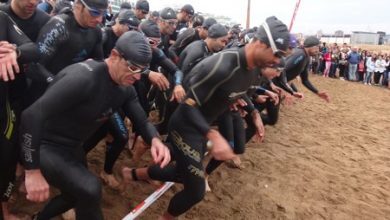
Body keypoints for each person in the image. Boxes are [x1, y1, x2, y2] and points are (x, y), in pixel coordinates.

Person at [122, 16, 290, 220]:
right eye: (277, 53)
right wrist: (213, 135)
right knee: (196, 191)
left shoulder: (253, 71)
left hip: (201, 127)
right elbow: (187, 105)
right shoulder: (221, 65)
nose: (278, 61)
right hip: (185, 125)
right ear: (261, 44)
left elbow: (237, 91)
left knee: (182, 173)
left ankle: (133, 174)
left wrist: (253, 113)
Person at [20, 31, 171, 220]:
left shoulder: (125, 88)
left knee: (74, 196)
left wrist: (155, 140)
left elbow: (141, 120)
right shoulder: (82, 77)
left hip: (72, 146)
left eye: (142, 70)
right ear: (115, 55)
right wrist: (32, 171)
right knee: (91, 188)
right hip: (44, 145)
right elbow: (31, 116)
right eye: (133, 68)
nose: (138, 76)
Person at [25, 0, 107, 105]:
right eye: (95, 13)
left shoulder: (96, 31)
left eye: (103, 14)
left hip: (68, 92)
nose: (99, 19)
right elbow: (34, 66)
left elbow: (98, 63)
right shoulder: (59, 26)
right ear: (78, 6)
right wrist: (60, 83)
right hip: (42, 92)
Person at [0, 11, 40, 220]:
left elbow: (34, 49)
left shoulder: (2, 18)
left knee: (7, 158)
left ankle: (3, 209)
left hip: (3, 110)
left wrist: (15, 51)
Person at [274, 36, 331, 102]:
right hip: (274, 84)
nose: (318, 50)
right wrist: (288, 89)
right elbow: (281, 69)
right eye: (316, 47)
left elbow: (305, 80)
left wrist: (317, 92)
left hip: (280, 84)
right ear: (310, 46)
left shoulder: (306, 57)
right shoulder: (300, 55)